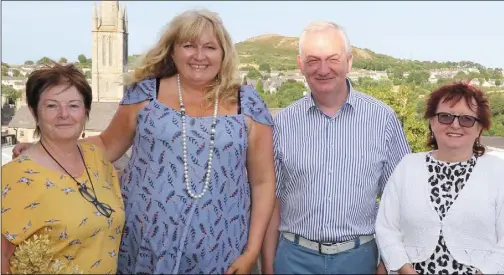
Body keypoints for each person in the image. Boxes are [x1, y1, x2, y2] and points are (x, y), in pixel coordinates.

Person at [12, 9, 276, 274]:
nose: (199, 55)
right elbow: (106, 145)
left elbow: (263, 182)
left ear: (223, 54)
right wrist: (45, 152)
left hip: (222, 252)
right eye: (188, 45)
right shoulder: (146, 93)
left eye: (210, 47)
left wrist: (251, 251)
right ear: (172, 51)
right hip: (145, 249)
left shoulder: (247, 103)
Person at [260, 21, 411, 274]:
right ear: (300, 65)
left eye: (332, 59)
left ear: (349, 62)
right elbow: (271, 201)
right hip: (293, 260)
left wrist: (387, 264)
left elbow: (400, 200)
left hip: (359, 260)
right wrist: (268, 266)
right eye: (312, 61)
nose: (323, 69)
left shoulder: (383, 119)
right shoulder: (282, 123)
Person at [1, 64, 125, 274]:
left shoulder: (98, 160)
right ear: (33, 112)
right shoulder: (13, 178)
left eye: (74, 105)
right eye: (52, 106)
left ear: (86, 112)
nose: (64, 114)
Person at [375, 82, 504, 275]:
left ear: (479, 128)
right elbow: (386, 227)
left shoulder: (497, 171)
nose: (455, 124)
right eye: (445, 116)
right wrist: (405, 269)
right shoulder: (407, 166)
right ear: (432, 122)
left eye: (467, 119)